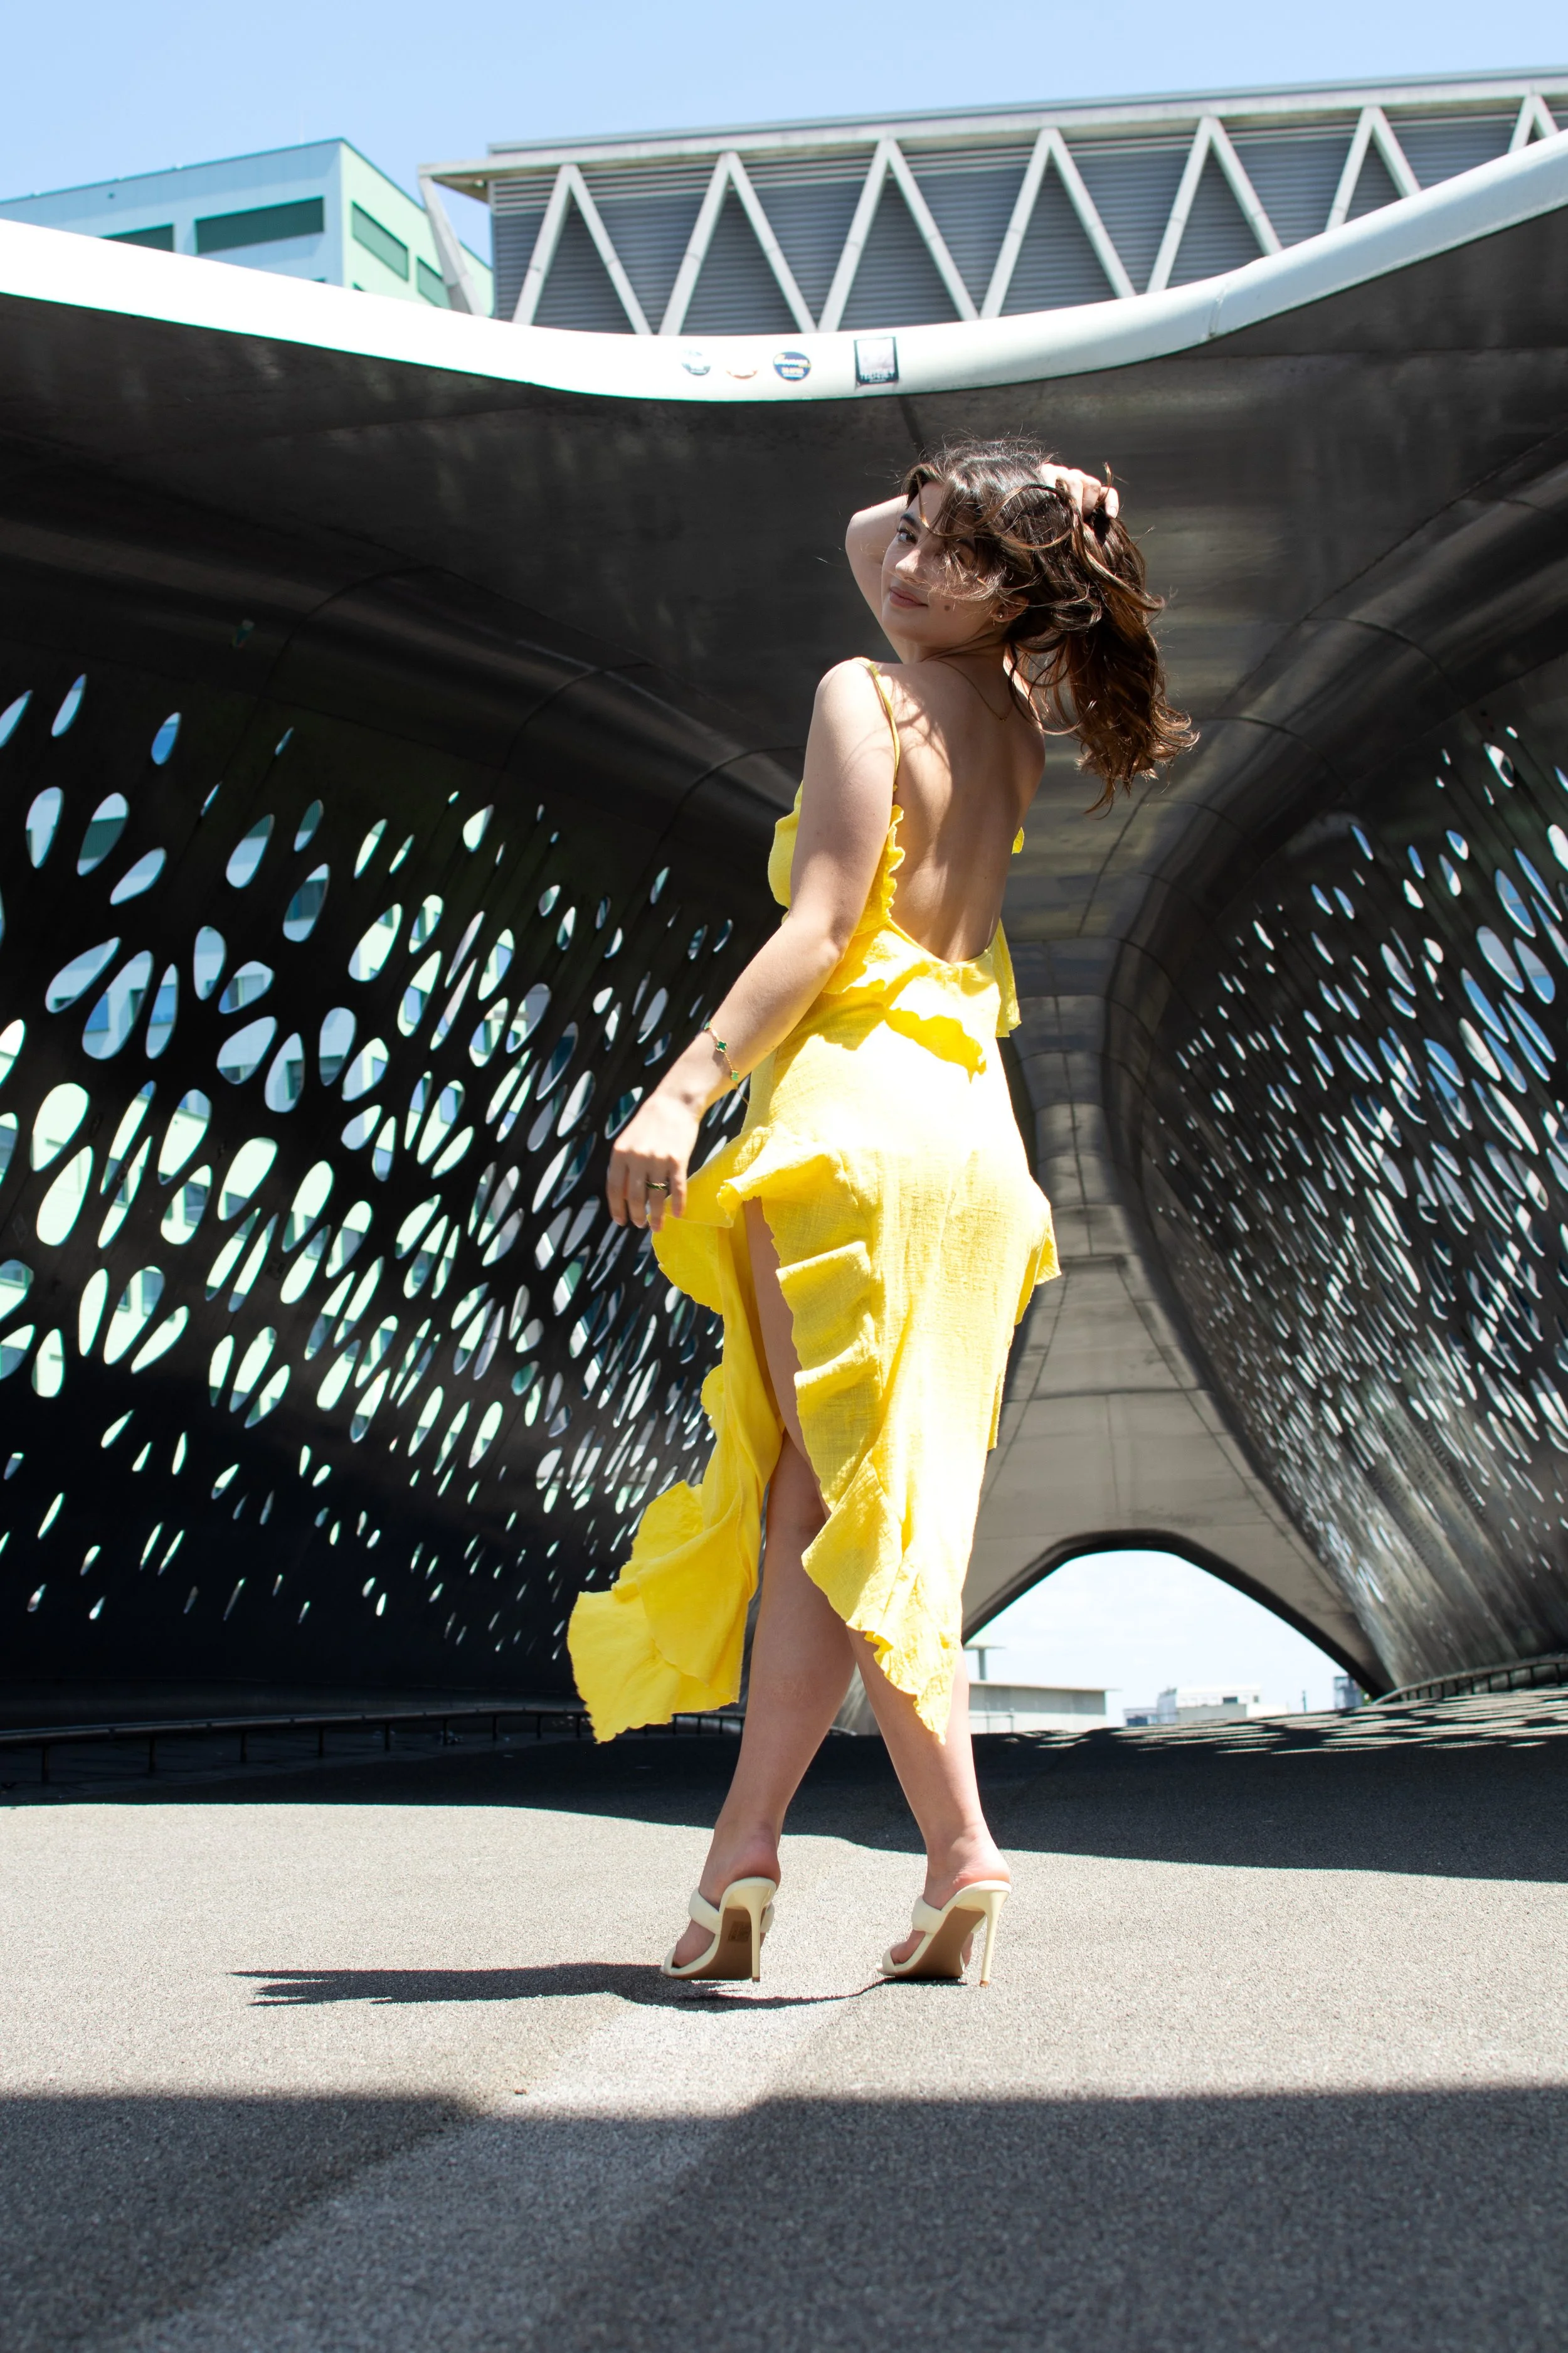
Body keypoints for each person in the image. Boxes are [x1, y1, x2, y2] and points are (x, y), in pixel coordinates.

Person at [568, 440, 1192, 1985]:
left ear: (1015, 596)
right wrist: (1028, 509)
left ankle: (962, 1844)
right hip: (972, 1141)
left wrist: (679, 1091)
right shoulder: (1008, 722)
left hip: (851, 1123)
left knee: (852, 1512)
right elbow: (893, 548)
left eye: (954, 554)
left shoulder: (869, 691)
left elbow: (824, 923)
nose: (904, 563)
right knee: (821, 1505)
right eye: (913, 533)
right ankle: (743, 1857)